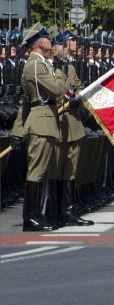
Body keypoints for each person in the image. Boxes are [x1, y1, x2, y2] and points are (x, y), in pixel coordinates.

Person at [11, 23, 67, 231]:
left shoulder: (40, 64)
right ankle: (30, 216)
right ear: (40, 42)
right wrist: (59, 73)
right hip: (41, 122)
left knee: (40, 171)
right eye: (48, 39)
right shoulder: (37, 65)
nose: (51, 42)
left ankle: (37, 215)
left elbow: (24, 104)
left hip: (45, 120)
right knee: (36, 172)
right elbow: (57, 90)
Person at [49, 33, 94, 227]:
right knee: (54, 169)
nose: (63, 48)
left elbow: (76, 88)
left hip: (73, 124)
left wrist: (80, 99)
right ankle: (53, 211)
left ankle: (68, 211)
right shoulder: (49, 67)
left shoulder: (70, 66)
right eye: (60, 45)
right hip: (57, 123)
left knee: (70, 170)